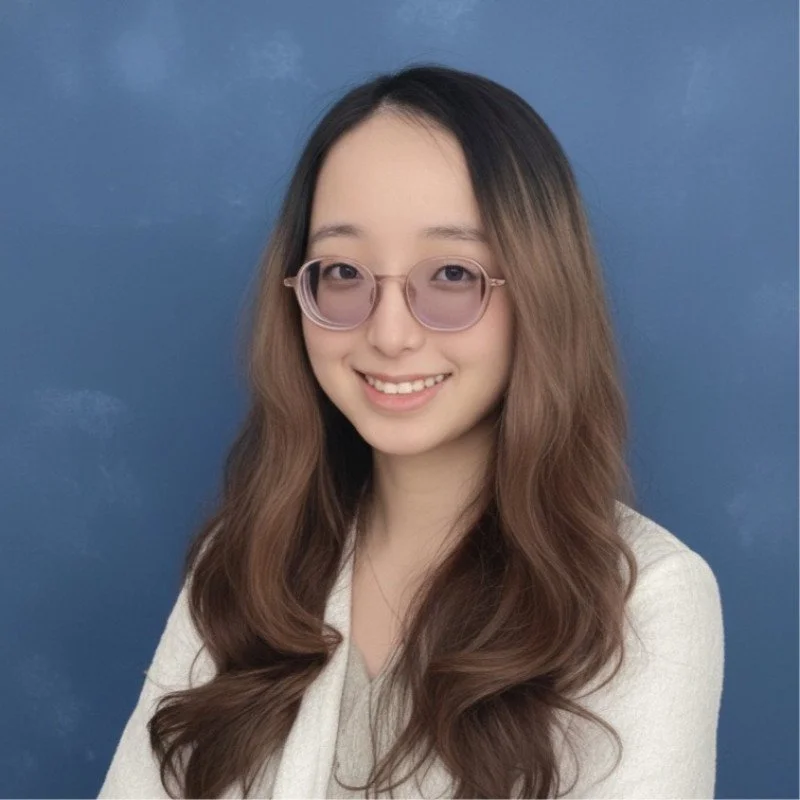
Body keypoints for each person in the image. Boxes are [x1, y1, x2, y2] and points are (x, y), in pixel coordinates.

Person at [97, 64, 724, 799]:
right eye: (342, 271)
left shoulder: (642, 600)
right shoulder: (242, 564)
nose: (389, 334)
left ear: (541, 292)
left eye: (453, 274)